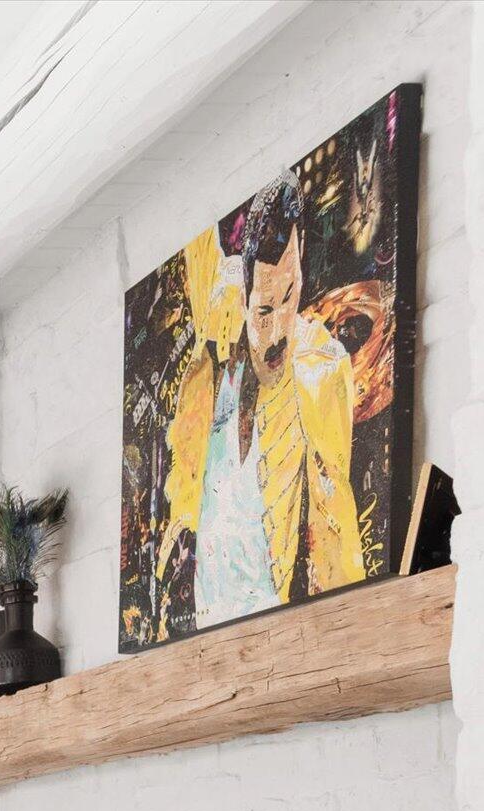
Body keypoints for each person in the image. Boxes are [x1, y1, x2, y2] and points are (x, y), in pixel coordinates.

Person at [156, 177, 367, 629]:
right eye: (265, 311)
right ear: (243, 299)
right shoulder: (220, 346)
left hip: (272, 631)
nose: (277, 333)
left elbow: (335, 515)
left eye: (290, 297)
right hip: (203, 629)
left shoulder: (320, 368)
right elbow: (203, 267)